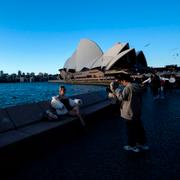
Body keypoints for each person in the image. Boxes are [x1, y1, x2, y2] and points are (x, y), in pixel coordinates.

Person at [115, 73, 149, 153]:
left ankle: (132, 146)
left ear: (124, 80)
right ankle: (142, 144)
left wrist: (117, 90)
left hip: (129, 112)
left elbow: (121, 98)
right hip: (137, 111)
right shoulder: (136, 86)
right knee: (139, 129)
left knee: (130, 130)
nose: (121, 84)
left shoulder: (128, 87)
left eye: (121, 82)